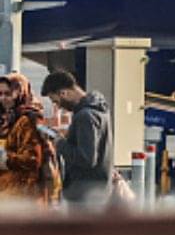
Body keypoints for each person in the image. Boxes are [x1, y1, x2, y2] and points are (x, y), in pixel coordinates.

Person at [40, 70, 111, 204]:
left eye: (56, 101)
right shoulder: (99, 110)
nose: (58, 106)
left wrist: (59, 143)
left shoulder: (85, 116)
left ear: (63, 93)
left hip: (84, 192)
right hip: (97, 190)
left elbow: (86, 159)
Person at [0, 73, 61, 204]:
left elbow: (33, 160)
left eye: (8, 94)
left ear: (20, 93)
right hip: (6, 194)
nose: (3, 98)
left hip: (23, 197)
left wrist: (5, 159)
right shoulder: (6, 120)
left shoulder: (28, 119)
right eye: (0, 94)